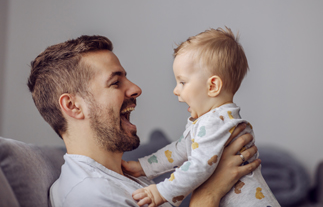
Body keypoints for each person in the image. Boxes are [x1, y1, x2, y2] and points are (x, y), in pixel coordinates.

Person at [27, 35, 261, 207]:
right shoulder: (88, 196)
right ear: (73, 106)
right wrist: (209, 193)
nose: (136, 89)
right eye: (115, 82)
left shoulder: (124, 178)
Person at [123, 27, 280, 207]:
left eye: (182, 82)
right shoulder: (210, 121)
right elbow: (178, 150)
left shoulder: (217, 121)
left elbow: (199, 167)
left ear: (213, 86)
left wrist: (162, 191)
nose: (176, 90)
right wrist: (143, 167)